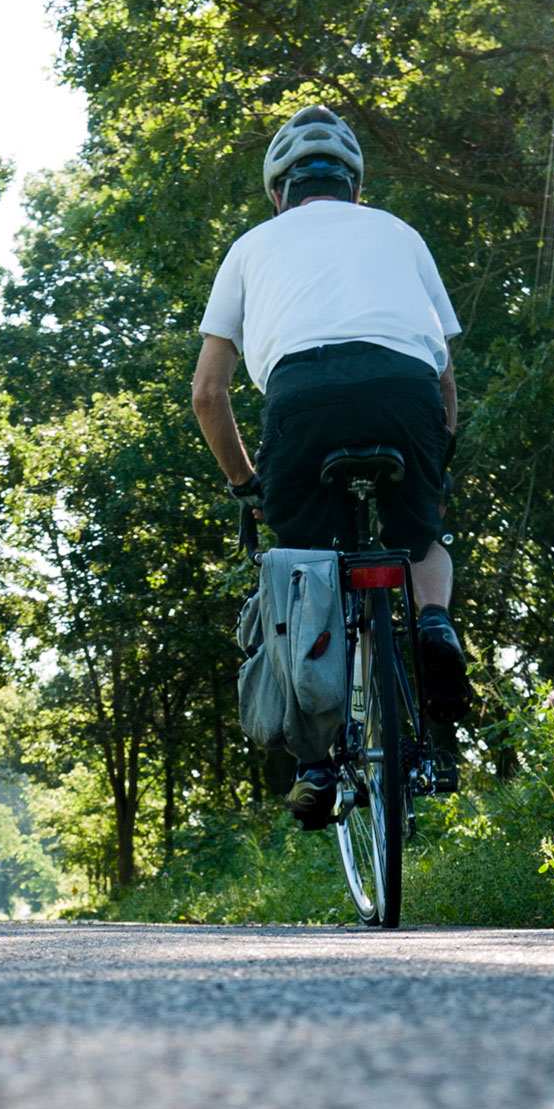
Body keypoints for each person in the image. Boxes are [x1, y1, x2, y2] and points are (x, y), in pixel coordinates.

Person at [192, 105, 469, 829]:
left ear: (279, 192)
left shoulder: (251, 246)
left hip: (301, 400)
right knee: (422, 538)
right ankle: (434, 624)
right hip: (404, 390)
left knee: (305, 565)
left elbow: (207, 393)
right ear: (354, 185)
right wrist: (434, 461)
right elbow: (445, 379)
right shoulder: (401, 233)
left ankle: (317, 762)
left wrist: (248, 488)